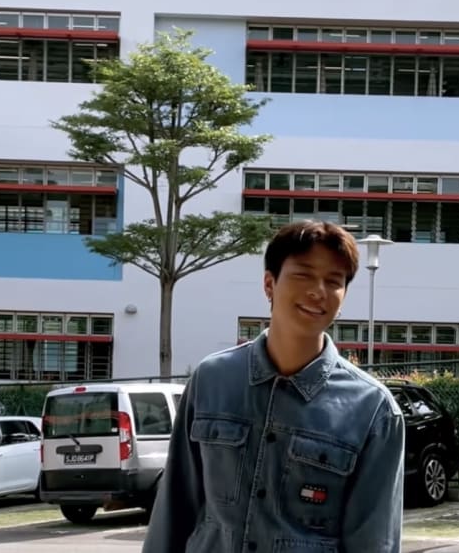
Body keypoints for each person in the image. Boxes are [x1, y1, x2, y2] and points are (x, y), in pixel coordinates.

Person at [143, 221, 405, 553]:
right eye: (304, 274)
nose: (318, 291)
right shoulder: (212, 380)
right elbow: (174, 509)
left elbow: (373, 541)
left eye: (333, 281)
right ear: (270, 283)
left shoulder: (372, 410)